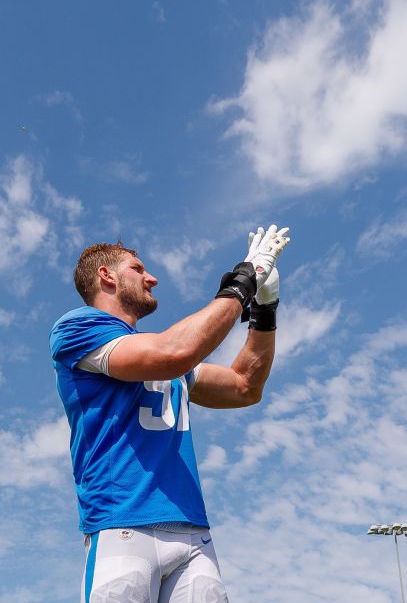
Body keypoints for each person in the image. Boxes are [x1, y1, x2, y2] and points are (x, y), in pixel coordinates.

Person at [49, 225, 290, 603]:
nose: (152, 278)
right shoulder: (77, 328)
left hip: (193, 534)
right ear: (106, 275)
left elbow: (245, 386)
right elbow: (171, 353)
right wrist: (243, 282)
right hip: (123, 528)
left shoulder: (165, 356)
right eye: (138, 268)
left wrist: (264, 308)